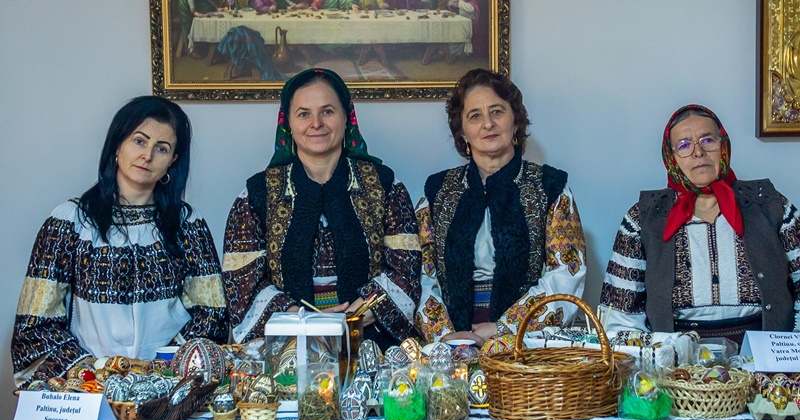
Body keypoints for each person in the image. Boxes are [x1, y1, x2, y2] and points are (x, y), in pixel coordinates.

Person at [11, 96, 228, 388]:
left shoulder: (188, 224)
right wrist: (96, 371)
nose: (147, 156)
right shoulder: (70, 221)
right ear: (117, 145)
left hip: (167, 383)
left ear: (172, 161)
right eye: (139, 141)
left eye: (161, 148)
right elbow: (35, 323)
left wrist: (162, 367)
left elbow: (212, 313)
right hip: (89, 386)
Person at [223, 68, 421, 348]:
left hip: (370, 339)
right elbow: (242, 280)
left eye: (327, 111)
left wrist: (362, 311)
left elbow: (406, 267)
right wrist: (301, 319)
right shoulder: (258, 194)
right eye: (303, 114)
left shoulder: (384, 184)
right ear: (288, 123)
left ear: (346, 117)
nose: (316, 124)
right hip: (286, 345)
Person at [415, 68, 587, 346]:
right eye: (475, 116)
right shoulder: (436, 193)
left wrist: (504, 328)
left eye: (497, 111)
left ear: (515, 121)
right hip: (451, 343)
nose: (488, 124)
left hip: (526, 344)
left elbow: (567, 273)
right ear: (462, 132)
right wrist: (446, 337)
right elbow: (422, 275)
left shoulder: (550, 188)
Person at [599, 104, 800, 342]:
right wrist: (655, 358)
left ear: (723, 146)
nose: (698, 152)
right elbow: (620, 312)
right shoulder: (643, 217)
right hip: (673, 354)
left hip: (764, 350)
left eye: (708, 140)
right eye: (684, 145)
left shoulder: (769, 203)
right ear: (671, 157)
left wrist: (789, 351)